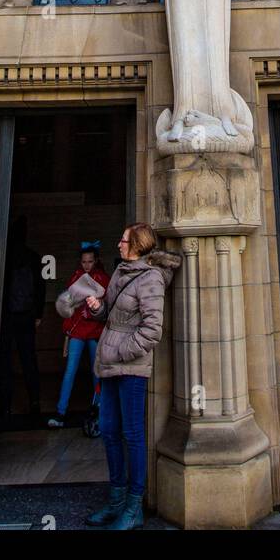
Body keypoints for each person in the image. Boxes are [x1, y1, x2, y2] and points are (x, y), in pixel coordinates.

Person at [84, 223, 181, 531]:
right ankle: (115, 501)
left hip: (130, 367)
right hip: (110, 364)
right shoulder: (122, 271)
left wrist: (121, 350)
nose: (119, 244)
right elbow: (112, 314)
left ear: (138, 245)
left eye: (124, 240)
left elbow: (152, 330)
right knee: (110, 431)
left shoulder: (151, 279)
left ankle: (133, 506)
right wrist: (98, 308)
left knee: (132, 434)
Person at [48, 241, 110, 428]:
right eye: (84, 262)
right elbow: (68, 303)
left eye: (90, 261)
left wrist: (92, 311)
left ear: (96, 261)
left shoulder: (103, 278)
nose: (87, 265)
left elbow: (107, 305)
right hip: (78, 330)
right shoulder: (76, 276)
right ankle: (61, 411)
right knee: (70, 370)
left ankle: (98, 409)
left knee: (96, 372)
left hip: (93, 331)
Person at [0, 214, 45, 424]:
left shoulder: (4, 258)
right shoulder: (33, 257)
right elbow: (40, 288)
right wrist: (39, 314)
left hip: (6, 317)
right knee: (28, 360)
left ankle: (3, 406)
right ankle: (35, 402)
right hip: (26, 317)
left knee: (4, 361)